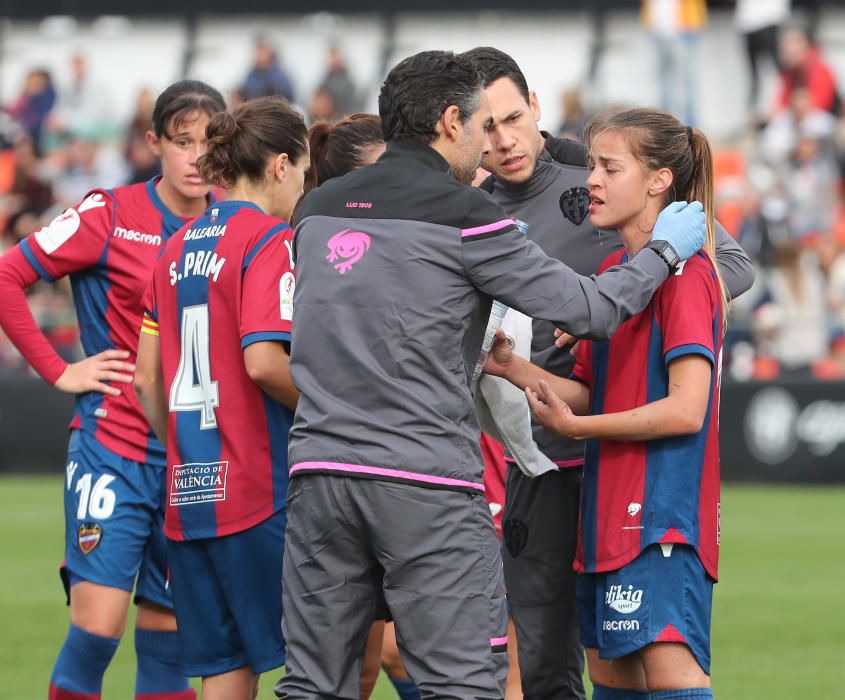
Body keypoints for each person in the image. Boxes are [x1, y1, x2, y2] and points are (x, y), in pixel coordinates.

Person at [275, 49, 706, 699]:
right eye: (480, 126)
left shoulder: (314, 212)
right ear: (450, 121)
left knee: (313, 686)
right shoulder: (466, 214)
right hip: (421, 482)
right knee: (463, 684)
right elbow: (589, 310)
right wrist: (665, 251)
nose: (489, 147)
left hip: (316, 479)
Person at [463, 46, 755, 700]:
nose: (505, 139)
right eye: (485, 127)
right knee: (557, 662)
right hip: (540, 464)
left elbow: (723, 266)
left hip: (632, 475)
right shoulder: (468, 213)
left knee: (659, 665)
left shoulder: (600, 186)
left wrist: (621, 300)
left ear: (536, 107)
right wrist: (511, 363)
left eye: (513, 117)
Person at [0, 79, 225, 700]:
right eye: (182, 142)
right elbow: (7, 275)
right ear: (153, 143)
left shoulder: (235, 223)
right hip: (114, 448)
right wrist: (60, 370)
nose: (197, 157)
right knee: (98, 630)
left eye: (210, 142)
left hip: (194, 460)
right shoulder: (108, 213)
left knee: (171, 641)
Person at [135, 95, 306, 700]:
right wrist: (333, 410)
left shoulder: (173, 247)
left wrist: (183, 449)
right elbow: (264, 363)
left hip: (190, 491)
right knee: (319, 658)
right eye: (305, 172)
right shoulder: (269, 240)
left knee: (226, 666)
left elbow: (146, 381)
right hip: (260, 491)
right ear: (282, 165)